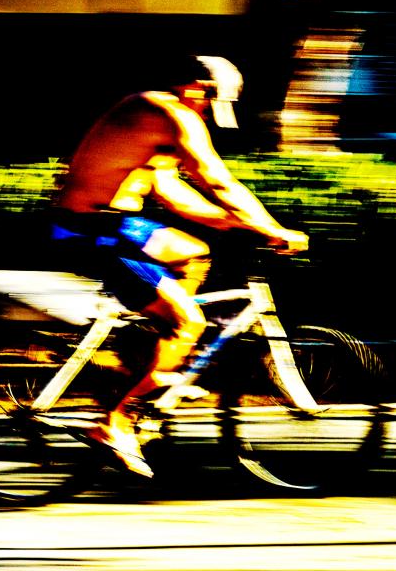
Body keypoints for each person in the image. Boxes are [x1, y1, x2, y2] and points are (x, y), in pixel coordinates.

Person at [50, 53, 308, 477]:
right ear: (194, 88)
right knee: (188, 323)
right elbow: (217, 179)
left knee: (193, 252)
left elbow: (174, 194)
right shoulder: (167, 111)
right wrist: (271, 228)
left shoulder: (152, 121)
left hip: (111, 224)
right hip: (90, 229)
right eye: (209, 102)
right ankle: (115, 423)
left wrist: (237, 223)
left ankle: (153, 352)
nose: (206, 112)